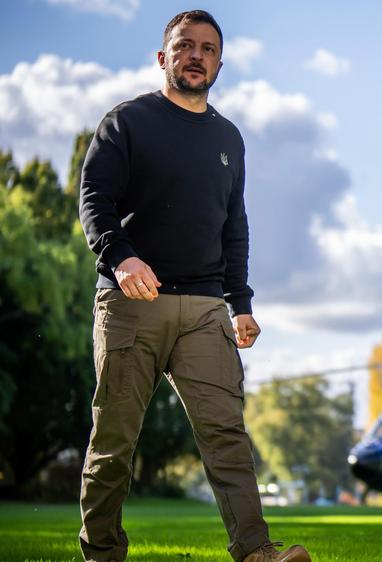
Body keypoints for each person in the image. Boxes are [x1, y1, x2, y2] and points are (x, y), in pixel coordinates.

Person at [77, 10, 309, 562]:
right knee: (114, 442)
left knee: (226, 435)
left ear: (220, 63)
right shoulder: (126, 122)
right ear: (164, 57)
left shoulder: (229, 138)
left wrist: (242, 302)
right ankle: (102, 553)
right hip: (132, 302)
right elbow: (94, 201)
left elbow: (235, 226)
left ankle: (257, 553)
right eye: (184, 46)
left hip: (206, 307)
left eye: (207, 48)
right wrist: (123, 259)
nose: (196, 55)